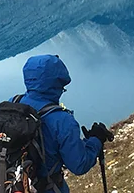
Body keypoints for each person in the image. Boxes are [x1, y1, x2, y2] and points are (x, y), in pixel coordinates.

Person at [12, 55, 111, 193]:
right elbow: (79, 164)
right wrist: (96, 140)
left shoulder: (14, 104)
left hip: (13, 187)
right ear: (56, 84)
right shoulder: (62, 120)